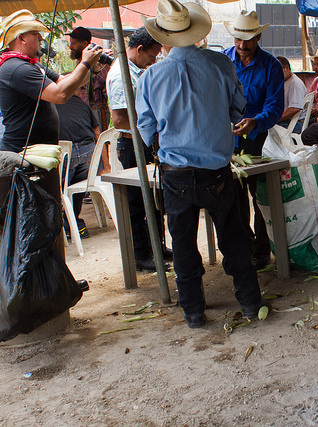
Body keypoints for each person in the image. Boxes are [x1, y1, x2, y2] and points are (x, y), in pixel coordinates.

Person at [137, 0, 264, 327]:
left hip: (175, 173)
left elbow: (146, 126)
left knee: (182, 244)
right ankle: (250, 303)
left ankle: (193, 312)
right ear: (194, 31)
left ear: (163, 37)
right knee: (233, 238)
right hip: (216, 171)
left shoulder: (151, 76)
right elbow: (238, 109)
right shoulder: (221, 64)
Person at [223, 10, 284, 269]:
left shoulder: (271, 66)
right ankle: (242, 247)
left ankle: (261, 248)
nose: (242, 45)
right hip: (225, 141)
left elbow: (275, 106)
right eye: (238, 39)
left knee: (260, 198)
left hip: (256, 140)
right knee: (232, 199)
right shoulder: (222, 61)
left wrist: (255, 121)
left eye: (248, 39)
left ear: (258, 37)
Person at [106, 27, 168, 272]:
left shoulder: (135, 71)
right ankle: (141, 254)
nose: (152, 62)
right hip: (132, 142)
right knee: (137, 202)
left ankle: (157, 248)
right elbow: (120, 119)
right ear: (139, 49)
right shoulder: (121, 75)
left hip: (143, 141)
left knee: (152, 201)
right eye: (151, 57)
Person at [0, 10, 103, 152]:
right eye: (36, 34)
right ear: (21, 38)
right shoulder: (16, 68)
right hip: (23, 153)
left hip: (39, 151)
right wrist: (85, 63)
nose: (41, 38)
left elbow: (69, 83)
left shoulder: (32, 64)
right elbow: (59, 95)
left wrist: (92, 69)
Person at [55, 92, 103, 238]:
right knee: (75, 190)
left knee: (60, 191)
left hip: (66, 153)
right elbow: (97, 131)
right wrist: (105, 165)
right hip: (88, 152)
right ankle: (74, 223)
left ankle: (68, 225)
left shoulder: (49, 103)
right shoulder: (81, 103)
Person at [67, 27, 111, 132]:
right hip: (81, 110)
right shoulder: (80, 62)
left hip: (96, 111)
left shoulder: (100, 61)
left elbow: (107, 89)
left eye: (74, 43)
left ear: (84, 43)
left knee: (99, 144)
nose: (70, 47)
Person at [301, 48, 318, 178]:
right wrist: (311, 112)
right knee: (301, 127)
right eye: (315, 64)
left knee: (308, 134)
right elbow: (309, 101)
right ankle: (314, 163)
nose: (316, 67)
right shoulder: (316, 80)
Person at [276, 56, 306, 134]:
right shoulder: (283, 82)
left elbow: (294, 108)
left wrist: (275, 119)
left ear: (286, 68)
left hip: (295, 123)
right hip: (286, 121)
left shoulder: (295, 83)